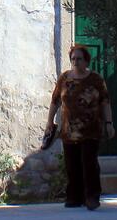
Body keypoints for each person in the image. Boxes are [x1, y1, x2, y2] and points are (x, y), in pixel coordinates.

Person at [45, 44, 113, 210]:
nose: (76, 62)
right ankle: (74, 197)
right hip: (69, 131)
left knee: (89, 163)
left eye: (79, 59)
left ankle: (91, 197)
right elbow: (55, 101)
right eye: (73, 59)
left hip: (91, 130)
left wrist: (109, 123)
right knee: (71, 165)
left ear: (86, 61)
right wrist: (49, 122)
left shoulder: (96, 79)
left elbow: (105, 102)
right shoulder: (64, 79)